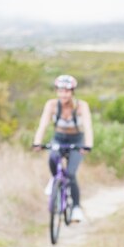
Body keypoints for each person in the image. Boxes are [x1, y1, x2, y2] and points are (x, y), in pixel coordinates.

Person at [33, 74, 93, 222]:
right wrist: (37, 142)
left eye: (66, 91)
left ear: (72, 92)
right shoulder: (51, 105)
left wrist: (88, 144)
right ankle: (55, 180)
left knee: (71, 174)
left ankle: (77, 208)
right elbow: (43, 125)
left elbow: (88, 126)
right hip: (58, 138)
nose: (63, 94)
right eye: (60, 91)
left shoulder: (81, 106)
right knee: (52, 158)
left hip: (77, 140)